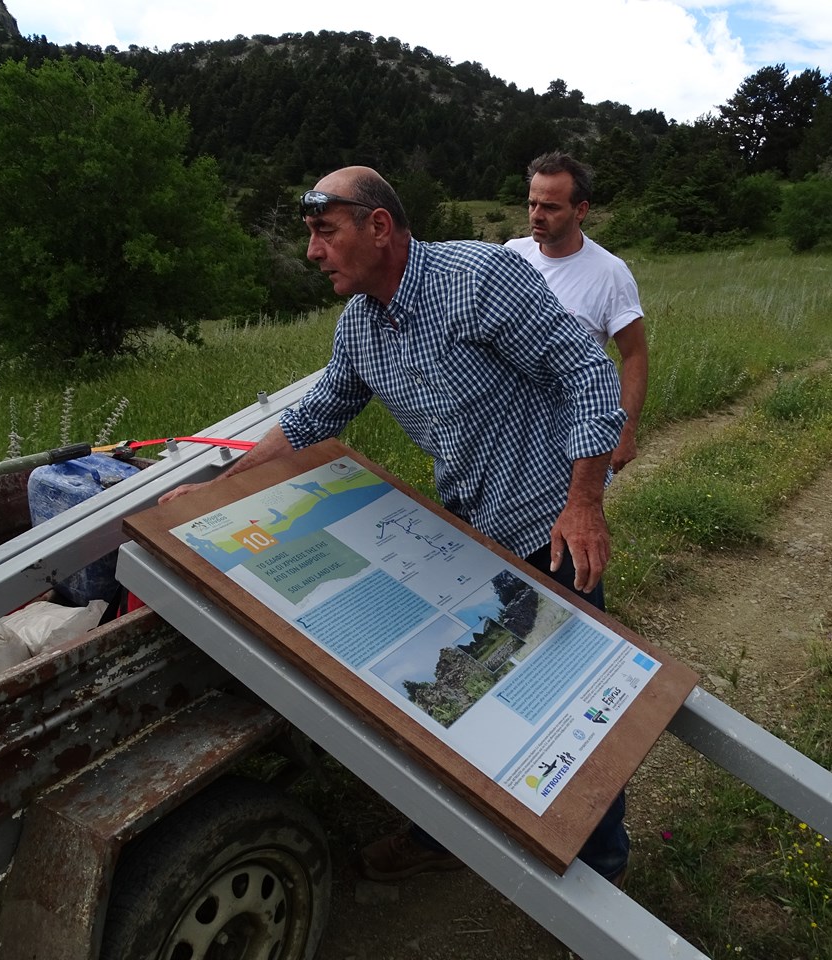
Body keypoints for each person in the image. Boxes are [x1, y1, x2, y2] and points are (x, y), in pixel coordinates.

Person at [160, 165, 630, 885]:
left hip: (551, 526)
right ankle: (439, 835)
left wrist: (586, 501)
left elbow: (588, 374)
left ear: (378, 227)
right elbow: (313, 419)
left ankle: (599, 868)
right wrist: (216, 491)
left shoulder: (477, 279)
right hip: (468, 533)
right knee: (452, 684)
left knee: (573, 706)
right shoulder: (361, 328)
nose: (313, 253)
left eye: (324, 233)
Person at [506, 151, 648, 473]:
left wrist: (625, 430)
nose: (536, 216)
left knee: (569, 519)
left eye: (551, 207)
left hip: (569, 431)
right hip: (507, 426)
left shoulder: (610, 273)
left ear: (580, 210)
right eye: (532, 204)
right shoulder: (513, 253)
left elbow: (634, 355)